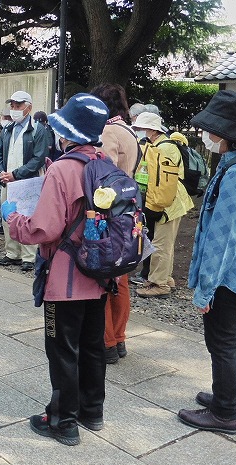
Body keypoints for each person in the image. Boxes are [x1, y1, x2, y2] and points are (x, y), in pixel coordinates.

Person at [2, 93, 111, 446]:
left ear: (67, 132)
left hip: (65, 276)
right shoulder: (104, 162)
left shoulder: (63, 169)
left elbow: (44, 229)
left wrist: (13, 218)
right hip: (99, 272)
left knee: (62, 348)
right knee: (92, 344)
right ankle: (92, 410)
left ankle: (63, 420)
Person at [178, 90, 236, 434]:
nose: (208, 136)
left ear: (229, 135)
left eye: (213, 131)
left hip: (229, 273)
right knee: (233, 336)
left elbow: (224, 237)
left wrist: (206, 289)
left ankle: (224, 412)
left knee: (222, 342)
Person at [91, 83, 141, 364]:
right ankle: (119, 338)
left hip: (109, 211)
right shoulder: (128, 130)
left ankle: (107, 340)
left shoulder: (108, 131)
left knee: (104, 279)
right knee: (121, 278)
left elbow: (103, 171)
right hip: (129, 210)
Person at [132, 112, 192, 298]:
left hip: (168, 202)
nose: (140, 131)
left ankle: (160, 284)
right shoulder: (161, 145)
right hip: (171, 201)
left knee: (160, 244)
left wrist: (155, 206)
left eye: (142, 128)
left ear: (151, 130)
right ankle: (165, 279)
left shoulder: (163, 148)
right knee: (165, 243)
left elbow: (162, 183)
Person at [0, 90, 50, 272]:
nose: (14, 109)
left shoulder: (38, 130)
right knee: (7, 216)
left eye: (18, 106)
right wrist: (0, 171)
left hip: (28, 182)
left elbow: (38, 158)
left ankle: (29, 256)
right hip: (8, 181)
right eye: (12, 106)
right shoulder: (7, 129)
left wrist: (16, 174)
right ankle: (12, 253)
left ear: (28, 107)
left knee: (27, 217)